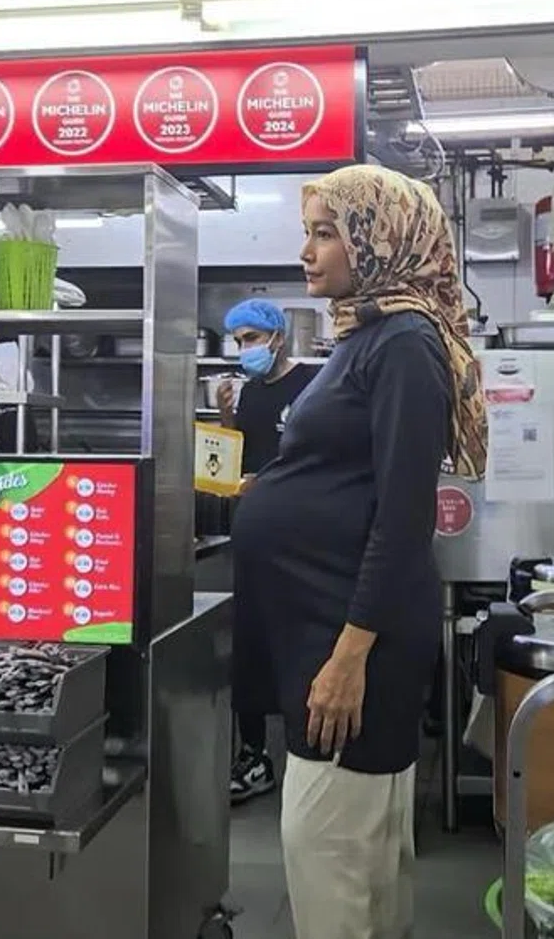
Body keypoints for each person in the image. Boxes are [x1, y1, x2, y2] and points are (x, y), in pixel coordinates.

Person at [231, 165, 488, 939]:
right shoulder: (366, 334)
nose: (306, 251)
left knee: (326, 849)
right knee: (362, 856)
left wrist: (349, 658)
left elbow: (405, 515)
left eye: (326, 233)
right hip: (328, 618)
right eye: (308, 231)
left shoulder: (404, 345)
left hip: (351, 632)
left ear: (380, 242)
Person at [219, 297, 320, 803]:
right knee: (251, 645)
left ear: (278, 336)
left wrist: (272, 482)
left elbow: (319, 457)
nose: (246, 350)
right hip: (253, 535)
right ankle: (254, 755)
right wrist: (226, 418)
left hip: (301, 538)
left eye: (252, 339)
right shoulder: (251, 395)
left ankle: (310, 749)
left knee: (300, 642)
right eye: (239, 342)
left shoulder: (313, 385)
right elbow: (237, 456)